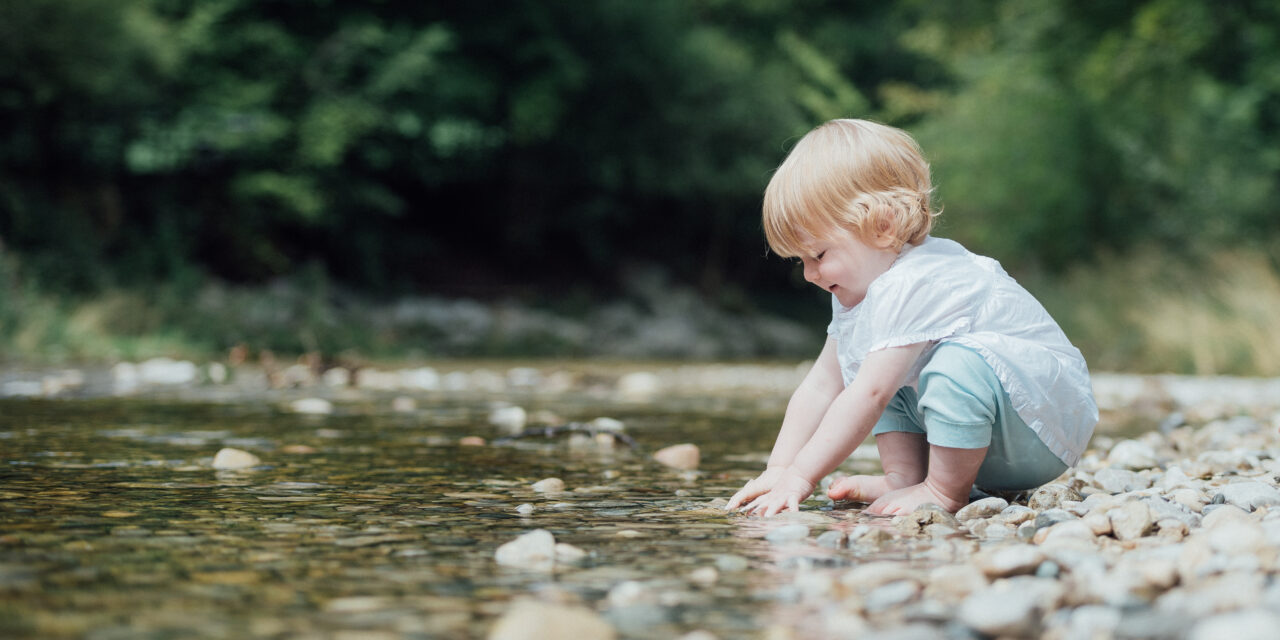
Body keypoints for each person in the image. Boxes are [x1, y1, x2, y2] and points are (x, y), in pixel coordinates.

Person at [726, 119, 1097, 517]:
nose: (809, 274)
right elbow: (821, 385)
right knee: (873, 362)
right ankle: (904, 478)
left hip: (1039, 428)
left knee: (928, 369)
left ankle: (942, 491)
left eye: (818, 255)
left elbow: (870, 394)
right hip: (995, 439)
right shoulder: (864, 290)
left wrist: (801, 477)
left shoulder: (916, 279)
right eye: (800, 261)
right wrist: (779, 468)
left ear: (883, 227)